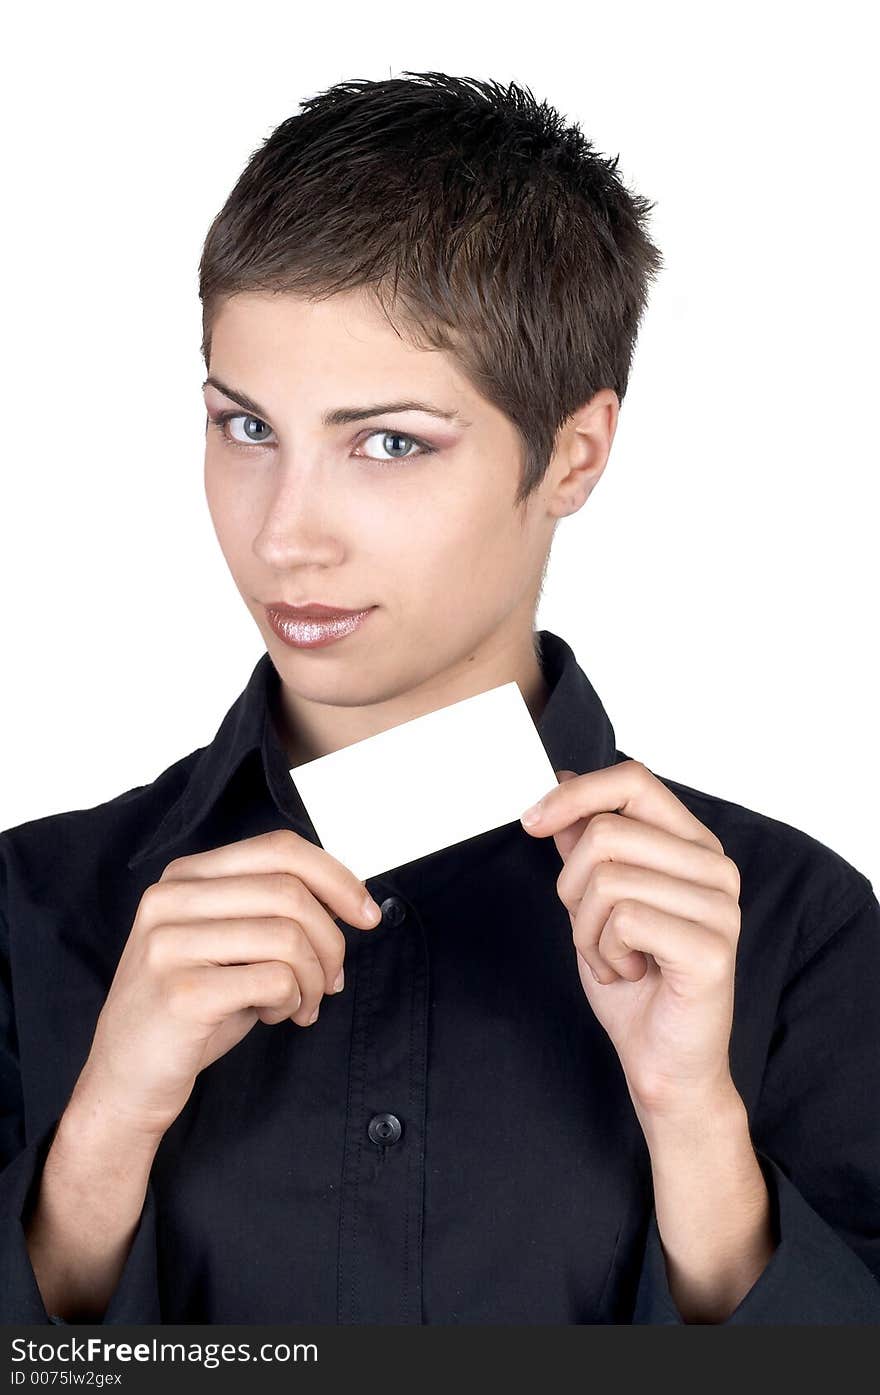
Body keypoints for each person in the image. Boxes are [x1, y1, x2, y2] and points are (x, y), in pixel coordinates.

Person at [2, 71, 878, 1327]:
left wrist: (697, 1129)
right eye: (245, 428)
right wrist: (100, 1142)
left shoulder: (796, 935)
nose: (285, 537)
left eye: (390, 443)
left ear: (572, 454)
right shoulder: (31, 913)